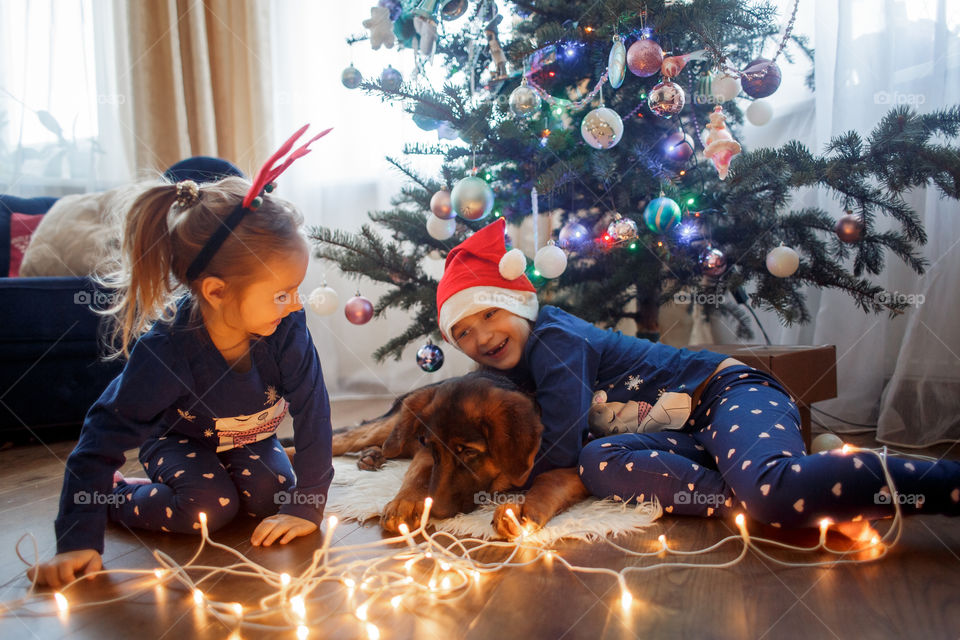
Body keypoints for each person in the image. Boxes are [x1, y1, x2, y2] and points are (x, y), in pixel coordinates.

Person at [435, 218, 960, 538]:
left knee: (771, 489)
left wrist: (504, 484)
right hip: (684, 433)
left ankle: (941, 485)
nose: (482, 336)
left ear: (519, 305)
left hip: (726, 394)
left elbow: (560, 441)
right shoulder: (511, 371)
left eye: (490, 314)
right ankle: (781, 497)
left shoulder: (555, 339)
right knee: (598, 461)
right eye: (462, 333)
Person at [30, 128, 335, 588]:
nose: (296, 302)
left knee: (274, 498)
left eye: (296, 289)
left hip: (248, 440)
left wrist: (307, 504)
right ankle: (117, 498)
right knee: (209, 508)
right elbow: (101, 435)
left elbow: (314, 409)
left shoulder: (286, 326)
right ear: (216, 291)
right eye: (281, 293)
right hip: (177, 442)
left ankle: (241, 486)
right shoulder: (167, 350)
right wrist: (77, 536)